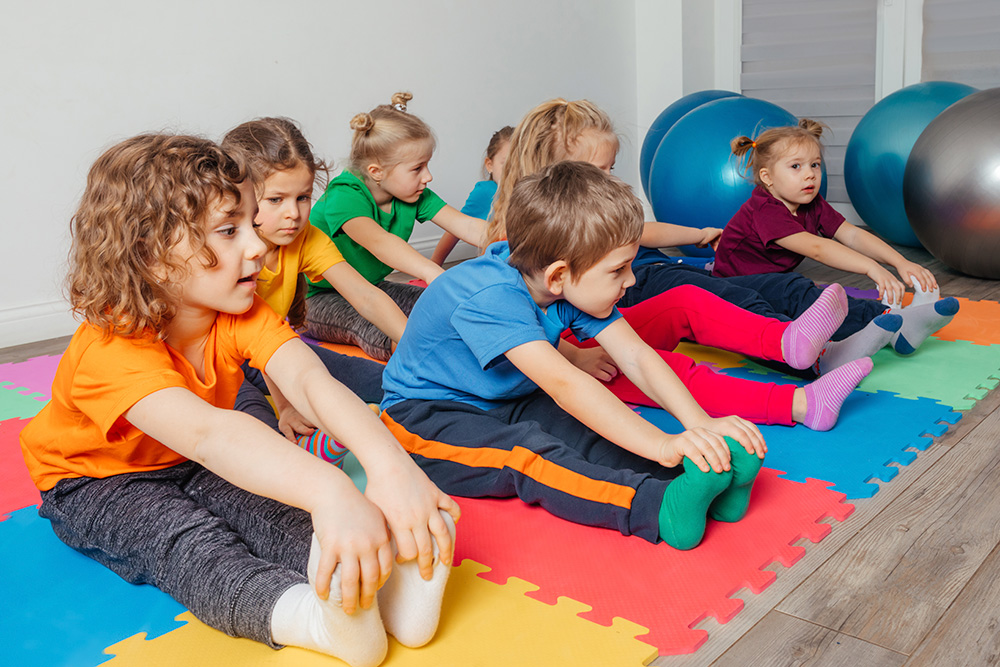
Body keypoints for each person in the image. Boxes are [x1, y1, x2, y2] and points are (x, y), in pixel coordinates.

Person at [19, 134, 459, 667]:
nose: (256, 246)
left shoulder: (239, 311)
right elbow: (210, 434)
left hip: (186, 457)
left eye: (251, 224)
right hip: (96, 479)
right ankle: (310, 618)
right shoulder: (109, 349)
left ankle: (378, 586)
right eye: (230, 231)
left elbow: (310, 382)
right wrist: (333, 489)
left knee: (270, 509)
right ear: (151, 257)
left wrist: (389, 467)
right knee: (188, 543)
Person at [381, 160, 773, 552]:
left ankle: (701, 477)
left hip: (508, 398)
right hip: (426, 418)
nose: (631, 280)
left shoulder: (566, 283)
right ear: (557, 275)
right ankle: (654, 509)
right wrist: (660, 444)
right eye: (619, 270)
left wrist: (698, 428)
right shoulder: (489, 296)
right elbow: (566, 384)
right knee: (529, 456)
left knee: (588, 436)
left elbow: (635, 355)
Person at [487, 98, 913, 375]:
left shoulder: (596, 210)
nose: (611, 180)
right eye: (600, 172)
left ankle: (882, 320)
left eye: (611, 169)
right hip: (631, 293)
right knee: (727, 301)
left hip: (655, 270)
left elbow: (644, 232)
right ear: (555, 172)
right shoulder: (535, 227)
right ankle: (813, 356)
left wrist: (699, 232)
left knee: (779, 284)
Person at [221, 117, 406, 464]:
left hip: (282, 351)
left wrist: (415, 350)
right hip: (228, 363)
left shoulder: (304, 239)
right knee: (252, 423)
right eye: (275, 200)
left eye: (303, 197)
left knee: (385, 382)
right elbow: (258, 341)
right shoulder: (228, 252)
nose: (293, 213)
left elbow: (365, 296)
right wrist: (287, 407)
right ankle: (301, 450)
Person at [713, 119, 959, 355]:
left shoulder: (811, 203)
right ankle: (891, 322)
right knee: (801, 294)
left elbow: (851, 234)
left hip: (770, 283)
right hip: (734, 293)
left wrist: (899, 262)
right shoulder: (765, 211)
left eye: (815, 165)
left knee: (810, 294)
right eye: (796, 166)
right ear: (767, 178)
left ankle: (890, 322)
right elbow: (818, 248)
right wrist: (872, 268)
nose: (810, 174)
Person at [306, 92, 487, 358]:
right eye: (417, 168)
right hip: (321, 298)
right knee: (381, 327)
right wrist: (431, 270)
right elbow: (379, 242)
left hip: (375, 288)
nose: (428, 176)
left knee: (443, 306)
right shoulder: (344, 195)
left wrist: (520, 240)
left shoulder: (412, 194)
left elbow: (467, 226)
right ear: (376, 172)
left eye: (427, 165)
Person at [430, 125, 513, 265]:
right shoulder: (486, 192)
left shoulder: (531, 193)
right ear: (490, 165)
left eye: (519, 165)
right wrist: (434, 263)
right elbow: (455, 229)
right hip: (495, 265)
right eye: (506, 165)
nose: (513, 172)